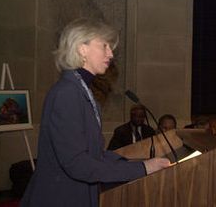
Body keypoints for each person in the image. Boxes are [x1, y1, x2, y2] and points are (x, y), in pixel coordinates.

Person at [20, 18, 169, 207]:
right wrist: (142, 168)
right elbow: (78, 164)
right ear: (82, 49)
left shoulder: (82, 91)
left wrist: (139, 162)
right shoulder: (66, 93)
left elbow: (94, 154)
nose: (111, 53)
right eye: (105, 46)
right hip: (60, 197)